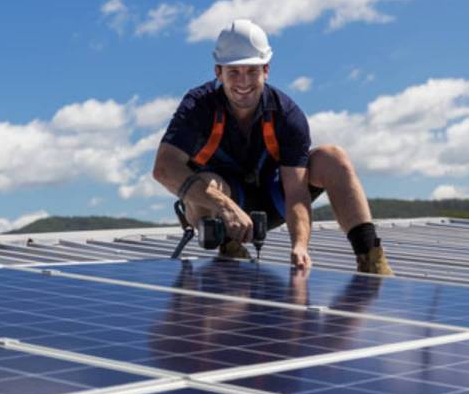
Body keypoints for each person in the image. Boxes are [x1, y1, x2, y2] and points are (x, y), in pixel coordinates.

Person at [152, 18, 393, 275]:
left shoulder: (287, 115)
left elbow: (297, 193)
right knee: (209, 182)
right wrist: (226, 207)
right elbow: (164, 169)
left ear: (266, 70)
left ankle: (371, 258)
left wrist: (300, 245)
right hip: (221, 206)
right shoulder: (198, 107)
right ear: (218, 72)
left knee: (333, 157)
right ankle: (231, 247)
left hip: (274, 199)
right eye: (233, 72)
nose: (243, 82)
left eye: (252, 71)